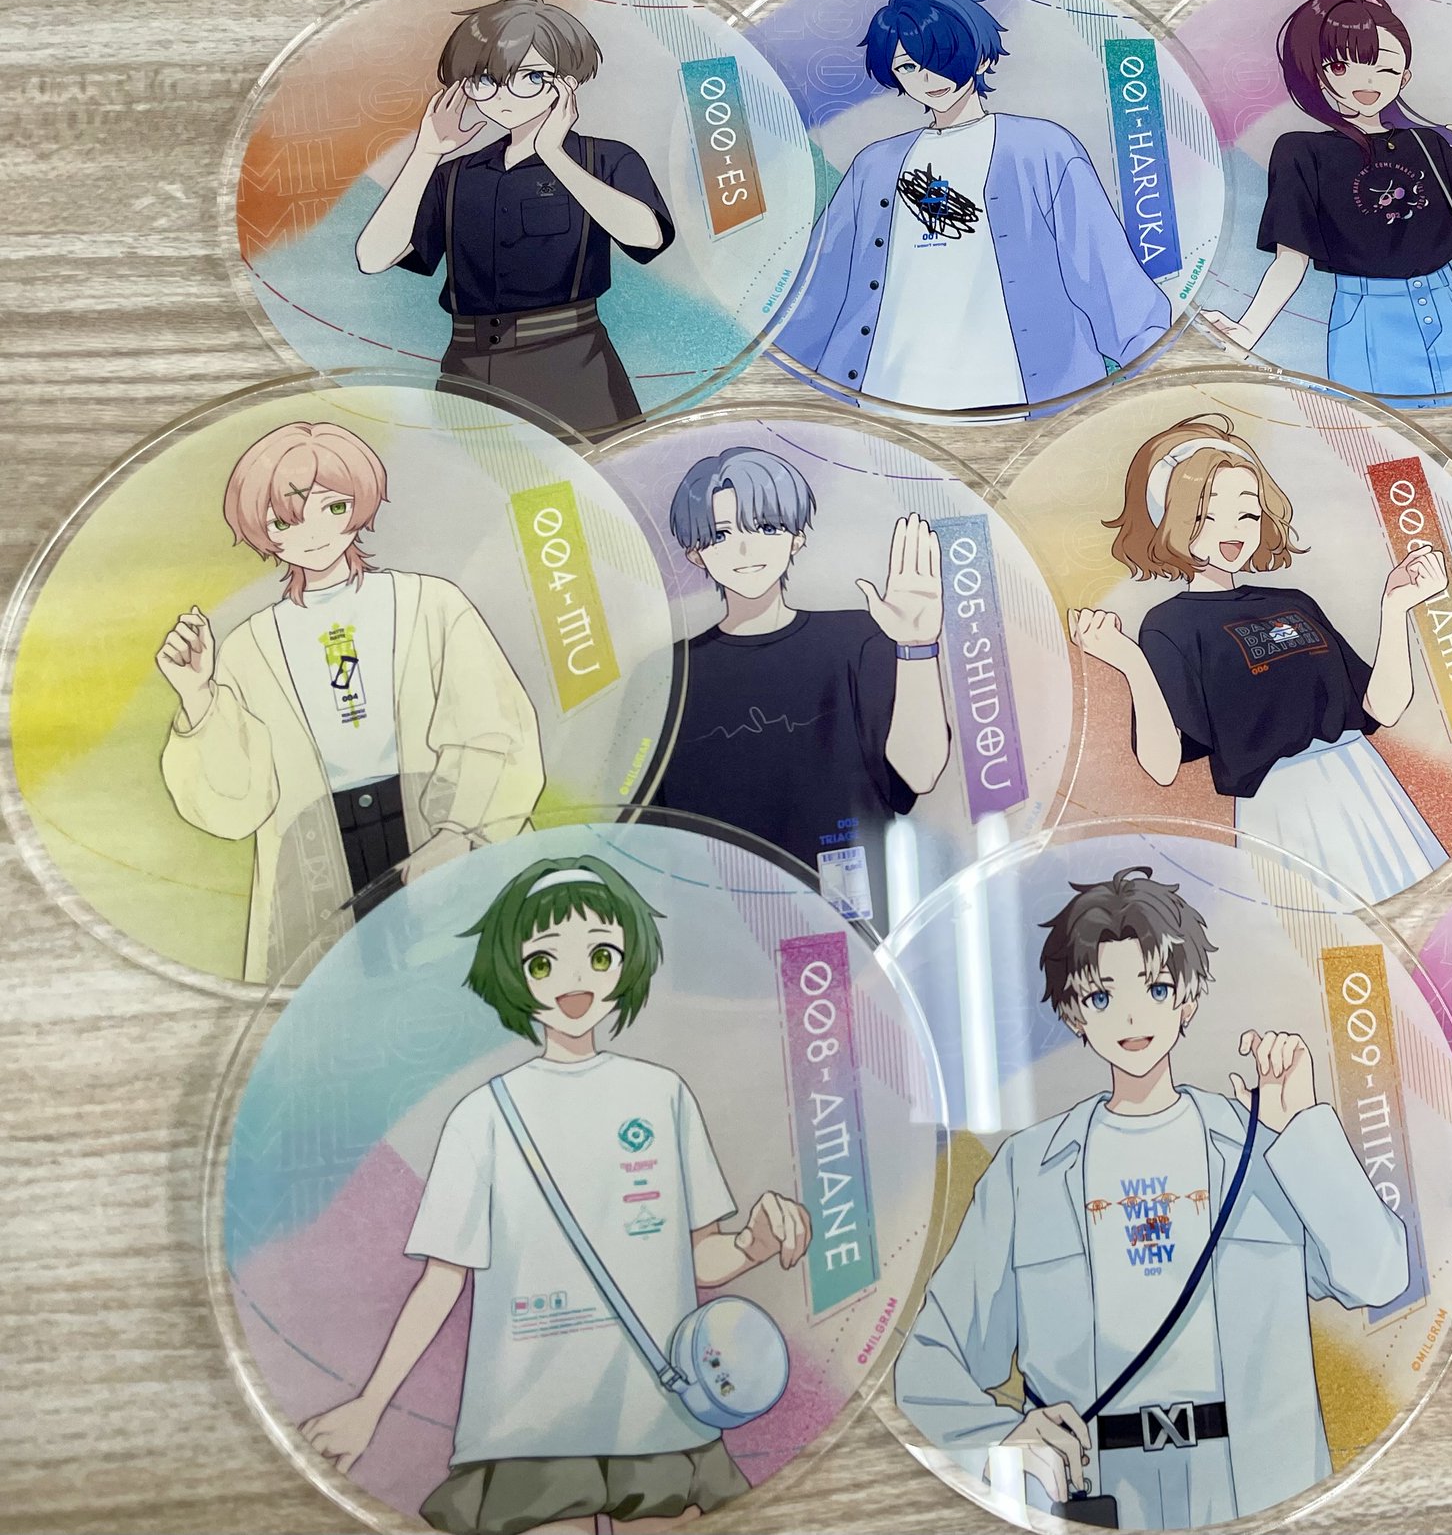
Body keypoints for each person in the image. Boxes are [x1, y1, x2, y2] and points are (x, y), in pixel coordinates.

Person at [301, 854, 813, 1534]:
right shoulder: (482, 1116)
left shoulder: (662, 1095)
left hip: (659, 1420)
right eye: (544, 962)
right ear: (512, 974)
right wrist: (369, 1406)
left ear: (629, 964)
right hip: (526, 1427)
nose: (576, 983)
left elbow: (695, 1260)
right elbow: (442, 1280)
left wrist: (752, 1244)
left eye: (600, 956)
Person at [895, 866, 1409, 1528]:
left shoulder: (1259, 1146)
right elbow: (927, 1364)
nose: (1133, 1016)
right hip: (1093, 1491)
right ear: (1074, 1012)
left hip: (1260, 1480)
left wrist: (1302, 1125)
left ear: (1187, 1000)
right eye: (1102, 996)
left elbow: (1379, 1276)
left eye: (1157, 988)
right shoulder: (1026, 1170)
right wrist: (999, 1439)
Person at [154, 421, 543, 983]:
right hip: (315, 857)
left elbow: (495, 726)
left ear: (359, 506)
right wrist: (198, 696)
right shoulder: (247, 647)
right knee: (340, 1009)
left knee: (472, 987)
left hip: (435, 825)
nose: (312, 532)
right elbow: (234, 807)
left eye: (332, 508)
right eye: (286, 518)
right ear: (262, 527)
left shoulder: (431, 603)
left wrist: (459, 833)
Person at [1068, 413, 1450, 903]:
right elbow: (1163, 766)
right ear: (1172, 520)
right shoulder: (1170, 624)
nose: (1233, 530)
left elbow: (1383, 708)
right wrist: (1130, 662)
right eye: (1207, 515)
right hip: (1284, 811)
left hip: (1367, 783)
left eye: (1247, 513)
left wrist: (1395, 608)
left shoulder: (1294, 602)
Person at [774, 0, 1171, 411]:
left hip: (1025, 392)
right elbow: (819, 285)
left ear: (981, 58)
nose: (927, 78)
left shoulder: (1042, 149)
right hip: (883, 390)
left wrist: (1151, 357)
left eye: (941, 58)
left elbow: (1106, 272)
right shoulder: (874, 165)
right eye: (907, 67)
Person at [652, 446, 951, 925]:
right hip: (722, 927)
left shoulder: (857, 638)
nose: (746, 550)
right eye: (722, 534)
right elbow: (649, 837)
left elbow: (919, 774)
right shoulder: (668, 673)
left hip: (860, 920)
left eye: (766, 527)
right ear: (696, 552)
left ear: (796, 538)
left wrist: (917, 646)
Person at [354, 0, 676, 438]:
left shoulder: (605, 159)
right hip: (468, 371)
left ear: (566, 83)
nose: (504, 94)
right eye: (485, 79)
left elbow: (647, 236)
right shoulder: (454, 175)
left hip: (573, 367)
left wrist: (554, 154)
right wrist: (426, 153)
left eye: (531, 77)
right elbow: (372, 258)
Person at [1202, 0, 1452, 398]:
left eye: (1385, 68)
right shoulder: (1302, 151)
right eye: (1342, 65)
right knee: (1385, 429)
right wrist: (1249, 328)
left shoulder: (1427, 145)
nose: (1367, 81)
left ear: (1404, 77)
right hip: (1368, 322)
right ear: (1315, 72)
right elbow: (1291, 259)